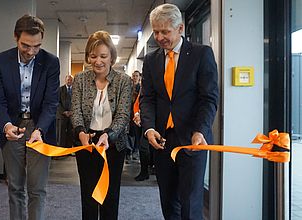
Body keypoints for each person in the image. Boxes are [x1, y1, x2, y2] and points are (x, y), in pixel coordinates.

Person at [140, 4, 219, 220]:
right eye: (156, 31)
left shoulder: (201, 54)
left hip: (193, 139)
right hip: (162, 140)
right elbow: (147, 98)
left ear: (180, 28)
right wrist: (148, 128)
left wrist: (200, 130)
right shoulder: (151, 60)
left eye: (165, 31)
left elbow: (209, 98)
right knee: (168, 200)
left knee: (191, 203)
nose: (159, 37)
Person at [0, 14, 60, 220]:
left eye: (37, 46)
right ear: (15, 37)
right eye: (25, 45)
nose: (31, 51)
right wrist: (6, 125)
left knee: (37, 188)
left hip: (40, 127)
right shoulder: (1, 61)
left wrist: (40, 130)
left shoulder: (50, 62)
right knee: (15, 187)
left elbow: (51, 103)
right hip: (12, 125)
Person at [71, 30, 133, 220]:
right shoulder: (80, 79)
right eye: (93, 56)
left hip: (113, 145)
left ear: (112, 57)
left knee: (110, 196)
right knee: (88, 195)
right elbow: (76, 111)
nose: (98, 61)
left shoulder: (124, 81)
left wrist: (109, 134)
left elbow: (123, 114)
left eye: (103, 56)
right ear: (88, 57)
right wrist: (81, 133)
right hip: (86, 143)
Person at [56, 74, 74, 148]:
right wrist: (64, 112)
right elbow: (57, 102)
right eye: (68, 80)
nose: (69, 81)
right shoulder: (60, 89)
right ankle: (60, 149)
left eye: (70, 80)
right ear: (65, 80)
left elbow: (77, 101)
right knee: (61, 133)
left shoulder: (76, 89)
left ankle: (68, 149)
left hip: (72, 115)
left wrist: (72, 111)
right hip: (61, 115)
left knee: (70, 132)